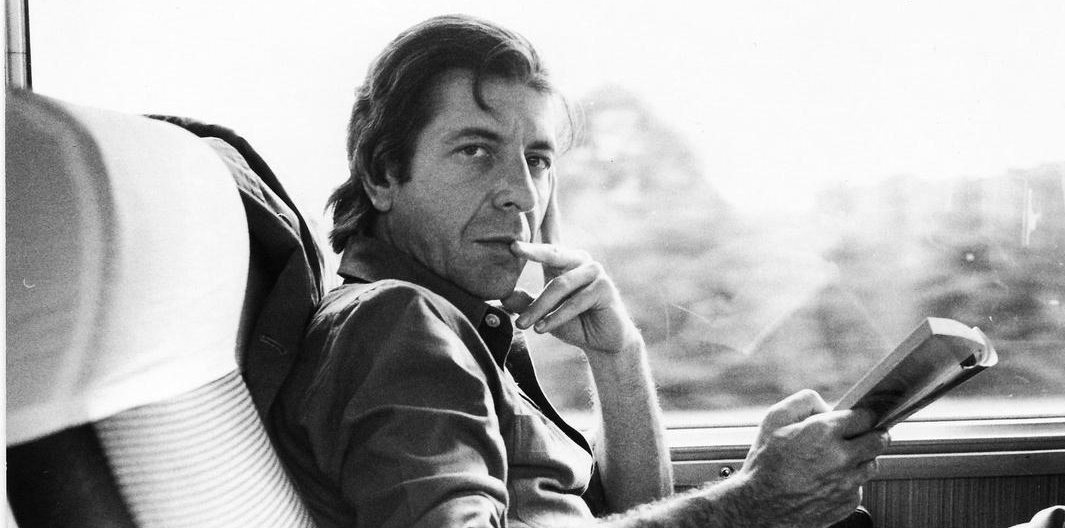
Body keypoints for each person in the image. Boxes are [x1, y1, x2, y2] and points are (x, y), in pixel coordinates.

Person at [270, 14, 889, 528]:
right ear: (382, 175)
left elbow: (633, 511)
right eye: (476, 150)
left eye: (538, 160)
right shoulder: (398, 323)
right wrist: (750, 502)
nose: (522, 195)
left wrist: (617, 356)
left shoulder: (460, 326)